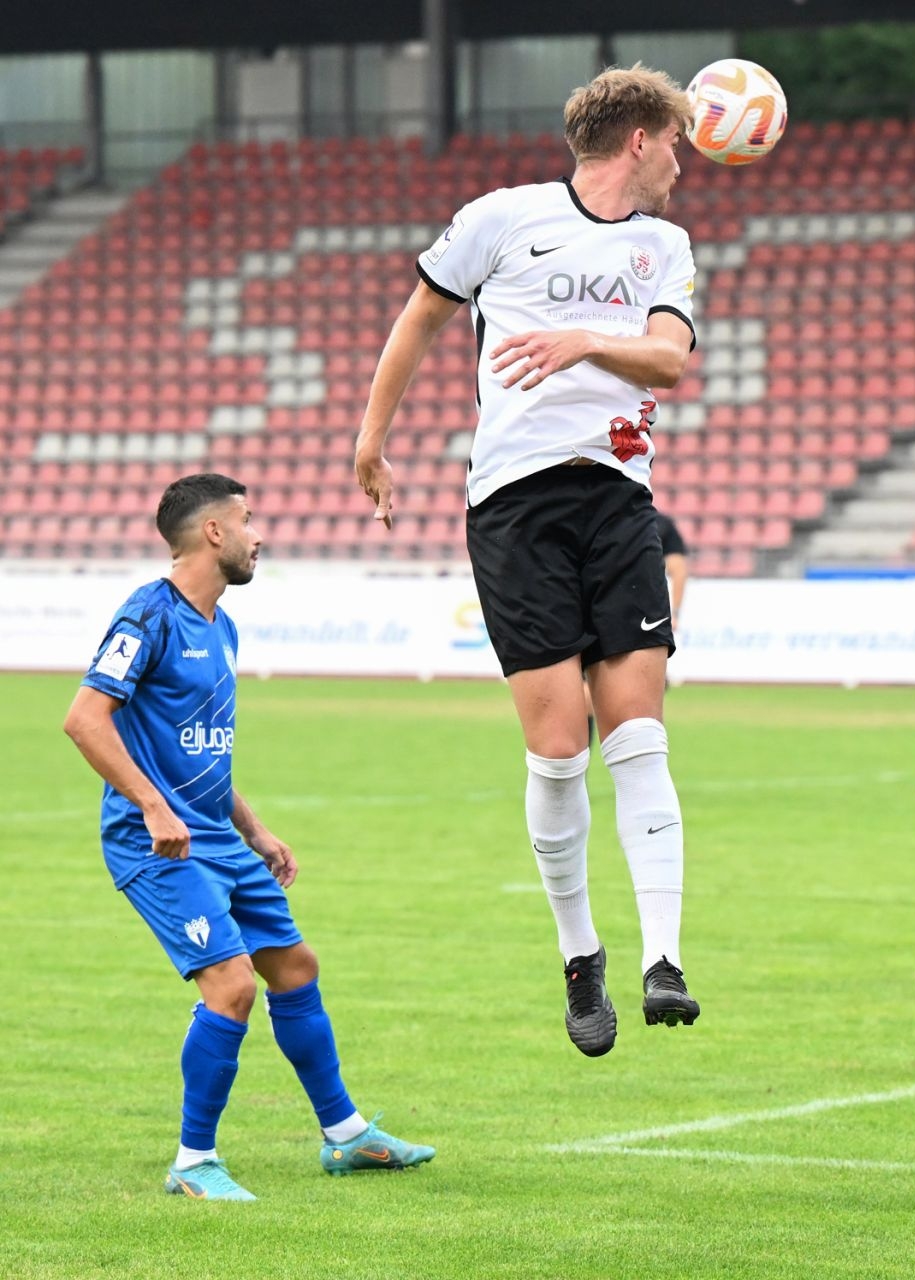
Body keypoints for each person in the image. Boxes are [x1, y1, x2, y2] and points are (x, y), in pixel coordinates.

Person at [354, 63, 702, 1055]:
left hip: (618, 502)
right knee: (557, 747)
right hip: (514, 507)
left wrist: (582, 341)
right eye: (676, 145)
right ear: (639, 138)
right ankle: (580, 954)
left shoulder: (665, 246)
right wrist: (371, 440)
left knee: (639, 732)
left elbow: (671, 360)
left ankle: (664, 960)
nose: (682, 166)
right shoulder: (501, 219)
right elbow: (419, 320)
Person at [61, 474, 434, 1202]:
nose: (258, 536)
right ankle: (192, 1162)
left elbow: (198, 751)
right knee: (231, 987)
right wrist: (152, 808)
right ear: (213, 532)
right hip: (156, 843)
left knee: (294, 967)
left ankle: (346, 1134)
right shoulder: (149, 615)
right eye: (248, 520)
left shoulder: (222, 627)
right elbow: (83, 719)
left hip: (218, 839)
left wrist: (254, 829)